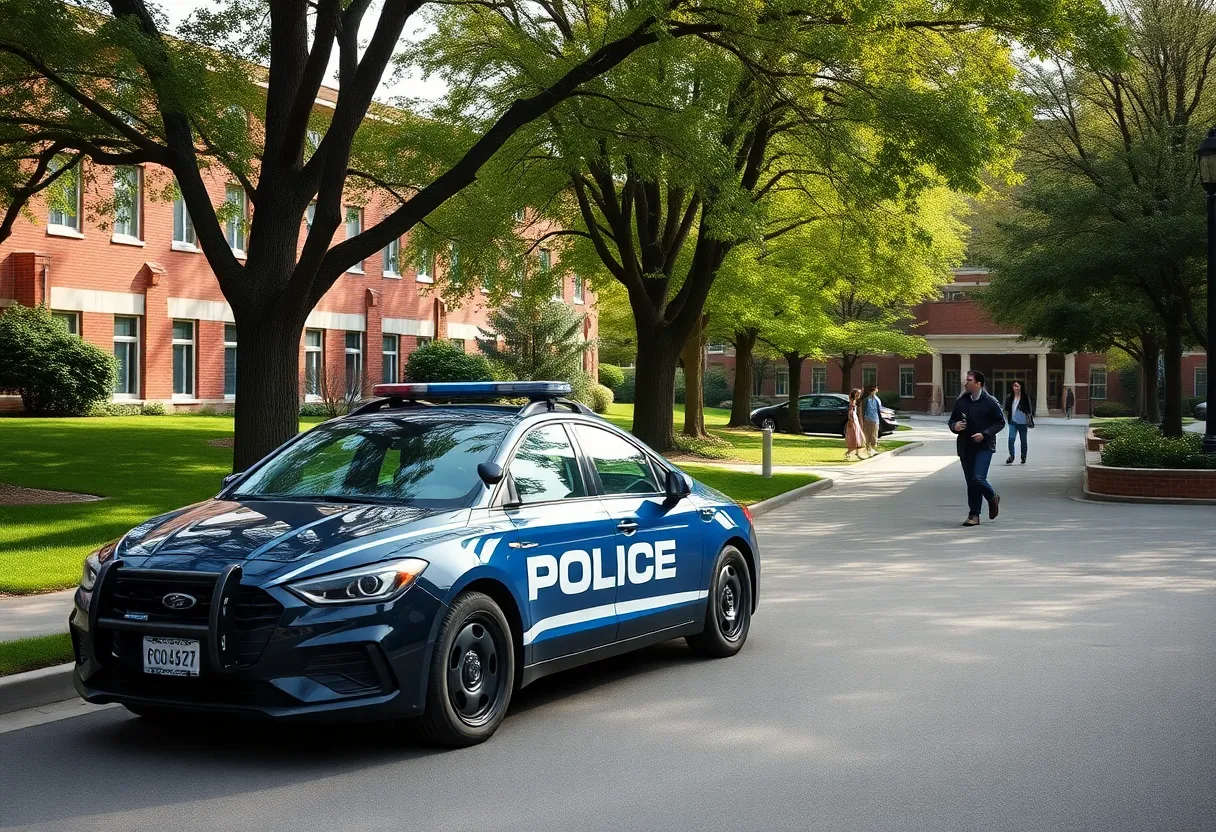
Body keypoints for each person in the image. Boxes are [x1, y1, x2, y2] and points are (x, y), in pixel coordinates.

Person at [947, 370, 1006, 526]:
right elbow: (952, 420)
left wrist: (984, 434)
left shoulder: (990, 402)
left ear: (978, 384)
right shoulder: (962, 401)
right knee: (971, 483)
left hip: (984, 446)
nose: (965, 382)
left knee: (978, 478)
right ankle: (974, 515)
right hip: (965, 447)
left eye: (969, 380)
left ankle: (992, 497)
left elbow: (1000, 422)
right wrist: (955, 426)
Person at [1004, 380, 1034, 464]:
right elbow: (1006, 409)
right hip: (1012, 422)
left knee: (1023, 440)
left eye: (1017, 386)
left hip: (1023, 423)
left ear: (1021, 387)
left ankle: (1023, 456)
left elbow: (1030, 409)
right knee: (1011, 439)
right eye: (1014, 386)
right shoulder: (1009, 397)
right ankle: (1012, 455)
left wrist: (1027, 415)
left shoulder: (1025, 397)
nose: (1015, 388)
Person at [844, 388, 866, 460]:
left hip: (855, 420)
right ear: (855, 394)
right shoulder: (852, 402)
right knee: (855, 438)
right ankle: (849, 453)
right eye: (858, 393)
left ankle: (854, 453)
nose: (859, 395)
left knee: (857, 438)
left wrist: (862, 391)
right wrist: (851, 420)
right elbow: (850, 412)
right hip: (853, 421)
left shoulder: (854, 401)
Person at [861, 385, 882, 455]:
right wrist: (863, 418)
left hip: (875, 419)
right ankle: (867, 448)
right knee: (867, 434)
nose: (875, 392)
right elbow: (863, 409)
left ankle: (872, 449)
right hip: (867, 419)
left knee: (874, 434)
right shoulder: (866, 400)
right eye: (874, 390)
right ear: (872, 391)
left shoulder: (877, 399)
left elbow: (879, 410)